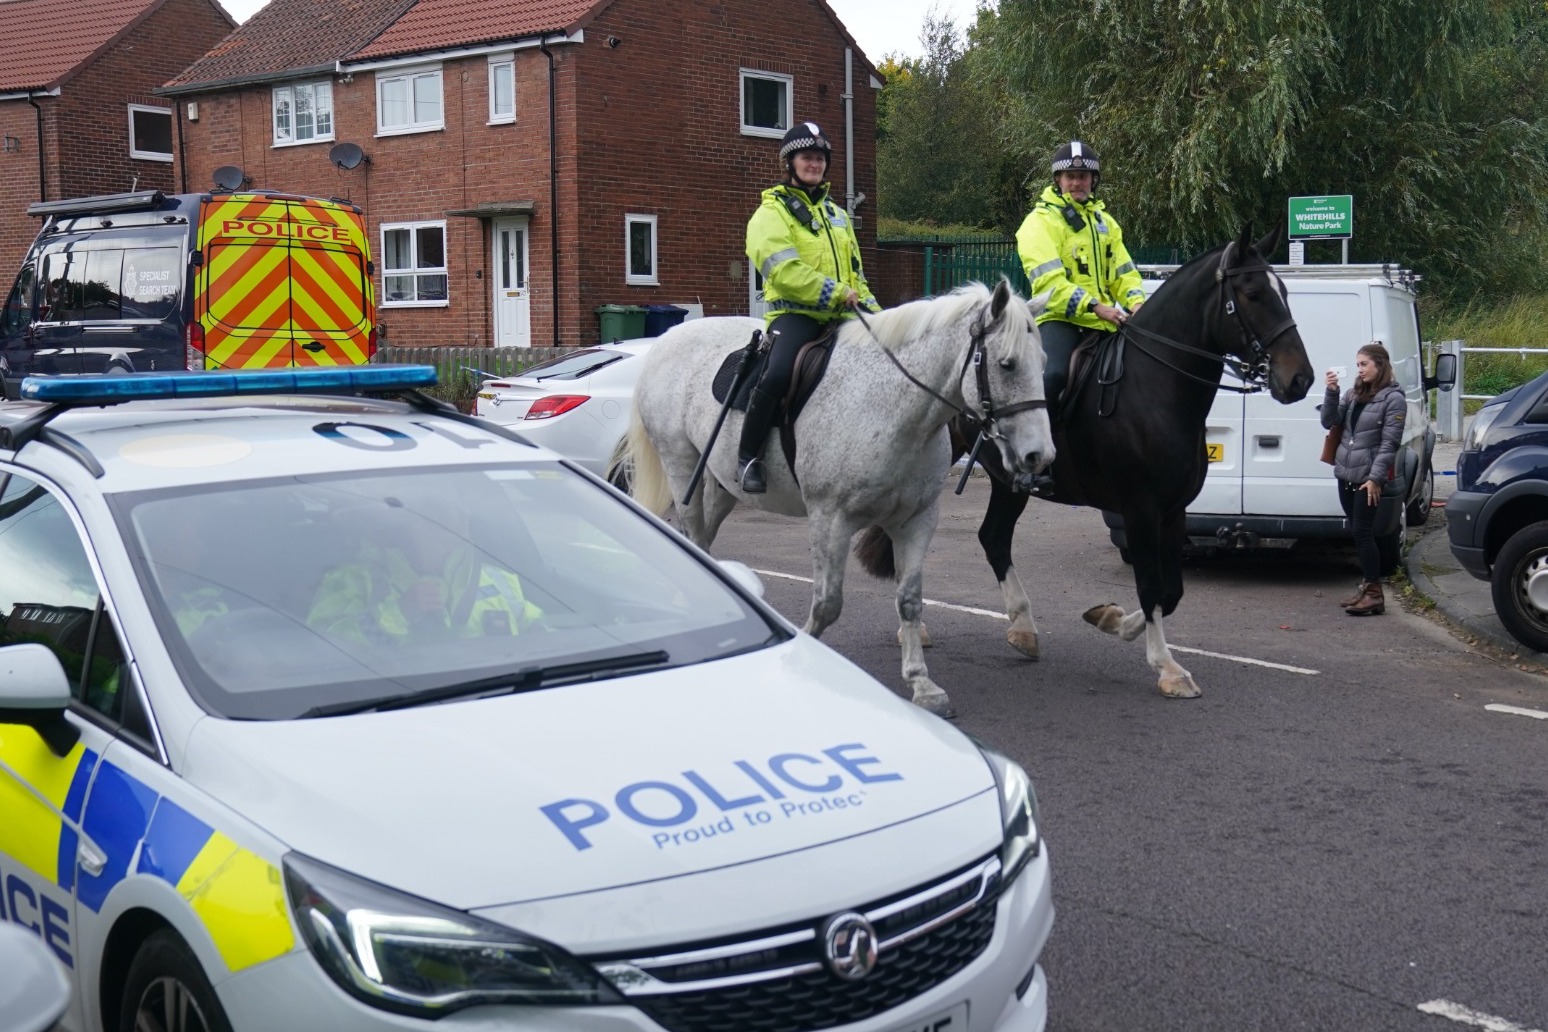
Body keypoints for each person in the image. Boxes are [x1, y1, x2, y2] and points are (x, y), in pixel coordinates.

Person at [738, 120, 882, 493]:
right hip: (796, 315)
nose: (814, 164)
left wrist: (877, 314)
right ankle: (747, 456)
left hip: (844, 314)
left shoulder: (838, 215)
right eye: (806, 157)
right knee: (779, 372)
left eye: (820, 158)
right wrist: (834, 292)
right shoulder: (771, 214)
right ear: (790, 163)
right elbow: (783, 271)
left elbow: (856, 275)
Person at [1015, 141, 1147, 455]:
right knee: (1055, 374)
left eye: (1083, 176)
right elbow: (1050, 284)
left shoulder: (1106, 223)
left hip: (1104, 324)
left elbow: (1124, 272)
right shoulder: (1038, 223)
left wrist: (1137, 303)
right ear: (1057, 181)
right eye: (1070, 175)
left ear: (1093, 181)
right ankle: (1036, 456)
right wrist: (1096, 307)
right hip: (1059, 319)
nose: (1077, 182)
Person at [307, 494, 543, 643]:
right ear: (418, 521)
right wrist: (399, 613)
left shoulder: (496, 578)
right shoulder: (354, 579)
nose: (466, 514)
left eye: (465, 507)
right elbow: (324, 645)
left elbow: (539, 630)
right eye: (450, 506)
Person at [1322, 342, 1406, 616]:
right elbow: (1329, 421)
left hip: (1368, 478)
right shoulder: (1352, 393)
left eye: (1364, 364)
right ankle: (1368, 587)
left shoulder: (1394, 399)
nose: (1360, 370)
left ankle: (1374, 594)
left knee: (1363, 532)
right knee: (1358, 533)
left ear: (1379, 365)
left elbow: (1389, 443)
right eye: (1357, 364)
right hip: (1346, 473)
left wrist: (1375, 478)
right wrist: (1332, 392)